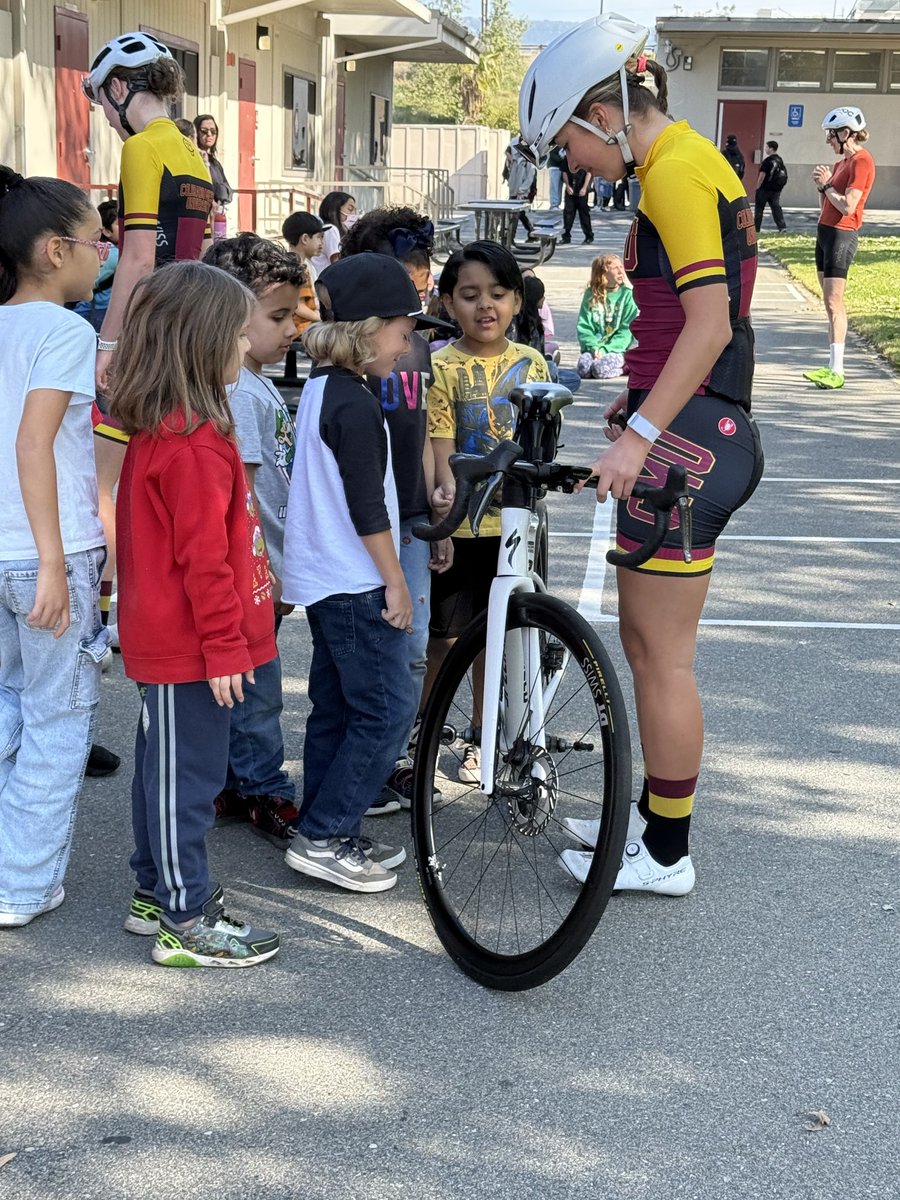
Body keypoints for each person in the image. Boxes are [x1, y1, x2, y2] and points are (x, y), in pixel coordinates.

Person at [519, 14, 764, 895]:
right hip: (696, 425)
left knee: (662, 658)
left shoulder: (675, 174)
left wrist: (642, 436)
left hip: (693, 439)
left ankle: (666, 854)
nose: (572, 165)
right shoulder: (681, 164)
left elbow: (712, 324)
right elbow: (682, 321)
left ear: (604, 113)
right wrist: (641, 401)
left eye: (568, 146)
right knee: (645, 644)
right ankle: (658, 829)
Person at [109, 260, 280, 968]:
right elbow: (204, 561)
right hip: (193, 649)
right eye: (237, 336)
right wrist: (225, 646)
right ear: (203, 341)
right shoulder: (190, 444)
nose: (245, 348)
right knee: (189, 781)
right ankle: (184, 916)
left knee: (166, 770)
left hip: (183, 646)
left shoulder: (174, 431)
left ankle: (158, 892)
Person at [280, 253, 428, 893]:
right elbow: (368, 506)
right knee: (390, 708)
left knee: (337, 710)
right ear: (368, 330)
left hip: (326, 579)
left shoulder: (323, 389)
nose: (407, 346)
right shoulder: (359, 406)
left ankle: (320, 822)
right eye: (402, 330)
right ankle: (325, 834)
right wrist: (396, 581)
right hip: (357, 580)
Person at [0, 168, 108, 927]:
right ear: (51, 250)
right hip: (50, 551)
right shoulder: (67, 331)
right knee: (56, 717)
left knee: (8, 704)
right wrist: (50, 563)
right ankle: (23, 883)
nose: (102, 252)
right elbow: (34, 444)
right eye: (96, 239)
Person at [83, 32, 214, 648]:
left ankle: (99, 614)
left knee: (102, 488)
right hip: (187, 340)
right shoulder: (193, 154)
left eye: (102, 104)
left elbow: (136, 260)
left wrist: (107, 347)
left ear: (117, 87)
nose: (107, 121)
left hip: (143, 338)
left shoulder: (143, 150)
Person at [339, 207, 454, 814]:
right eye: (404, 290)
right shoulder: (354, 358)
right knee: (366, 653)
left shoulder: (422, 346)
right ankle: (365, 762)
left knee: (409, 649)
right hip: (364, 522)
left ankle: (399, 758)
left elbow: (429, 430)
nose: (418, 299)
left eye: (422, 284)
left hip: (411, 518)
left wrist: (439, 505)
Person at [426, 241, 551, 783]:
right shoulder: (440, 366)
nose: (485, 307)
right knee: (445, 637)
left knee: (496, 637)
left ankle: (483, 734)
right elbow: (439, 446)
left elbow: (542, 451)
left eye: (498, 295)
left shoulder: (533, 365)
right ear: (448, 302)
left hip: (516, 527)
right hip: (463, 526)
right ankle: (425, 732)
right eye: (470, 295)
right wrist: (442, 524)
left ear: (517, 301)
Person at [201, 233, 303, 846]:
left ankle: (233, 779)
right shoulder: (237, 390)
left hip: (262, 572)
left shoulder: (255, 382)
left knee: (244, 683)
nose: (293, 327)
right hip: (252, 575)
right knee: (257, 686)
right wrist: (267, 574)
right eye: (278, 316)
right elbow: (242, 498)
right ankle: (262, 787)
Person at [802, 106, 876, 392]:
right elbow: (829, 203)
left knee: (835, 303)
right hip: (825, 233)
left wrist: (826, 186)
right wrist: (823, 188)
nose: (827, 140)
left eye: (831, 135)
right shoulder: (840, 164)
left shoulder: (862, 161)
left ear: (846, 133)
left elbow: (848, 206)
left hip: (842, 235)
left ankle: (837, 370)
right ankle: (831, 365)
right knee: (828, 302)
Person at [576, 253, 638, 379]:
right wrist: (593, 347)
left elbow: (626, 330)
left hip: (615, 349)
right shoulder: (590, 295)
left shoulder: (628, 296)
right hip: (593, 349)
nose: (621, 271)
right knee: (584, 369)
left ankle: (624, 366)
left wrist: (605, 349)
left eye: (621, 267)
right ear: (603, 274)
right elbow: (584, 326)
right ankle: (597, 359)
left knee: (599, 370)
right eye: (615, 268)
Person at [73, 199, 119, 333]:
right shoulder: (114, 254)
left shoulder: (98, 249)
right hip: (100, 310)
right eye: (118, 223)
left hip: (91, 308)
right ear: (106, 231)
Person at [282, 210, 326, 333]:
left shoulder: (304, 264)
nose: (322, 243)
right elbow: (299, 307)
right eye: (319, 237)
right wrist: (322, 318)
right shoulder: (298, 267)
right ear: (305, 239)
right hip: (300, 326)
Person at [194, 114, 233, 238]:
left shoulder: (215, 163)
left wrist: (218, 190)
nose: (209, 135)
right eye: (204, 131)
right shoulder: (194, 158)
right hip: (202, 220)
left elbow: (228, 193)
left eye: (213, 131)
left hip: (218, 218)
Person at [311, 191, 357, 276]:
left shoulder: (322, 228)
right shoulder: (330, 230)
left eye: (355, 210)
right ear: (336, 208)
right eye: (350, 209)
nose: (354, 214)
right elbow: (337, 262)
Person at [504, 138, 537, 238]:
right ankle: (531, 232)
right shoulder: (514, 161)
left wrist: (522, 191)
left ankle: (510, 237)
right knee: (519, 214)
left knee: (515, 215)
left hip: (522, 193)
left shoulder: (529, 162)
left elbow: (529, 178)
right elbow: (512, 176)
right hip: (513, 191)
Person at [754, 140, 788, 234]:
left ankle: (756, 229)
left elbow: (762, 175)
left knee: (759, 209)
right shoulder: (779, 160)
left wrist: (758, 186)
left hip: (764, 189)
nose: (765, 149)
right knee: (776, 208)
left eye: (766, 147)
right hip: (776, 190)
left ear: (771, 148)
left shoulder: (767, 161)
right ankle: (782, 227)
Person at [561, 159, 593, 245]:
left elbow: (589, 173)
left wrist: (584, 187)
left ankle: (589, 236)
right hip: (570, 189)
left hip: (581, 188)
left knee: (584, 214)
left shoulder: (585, 158)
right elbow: (564, 172)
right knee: (568, 214)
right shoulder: (567, 158)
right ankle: (566, 236)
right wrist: (567, 185)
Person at [547, 145, 566, 209]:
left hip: (561, 167)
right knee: (554, 186)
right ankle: (554, 204)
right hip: (554, 167)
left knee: (559, 186)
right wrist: (562, 157)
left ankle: (557, 204)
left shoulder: (561, 145)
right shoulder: (553, 146)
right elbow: (553, 156)